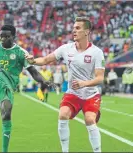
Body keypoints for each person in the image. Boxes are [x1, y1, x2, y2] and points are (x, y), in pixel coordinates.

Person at [0, 7, 55, 152]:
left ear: (13, 37)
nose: (3, 39)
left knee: (6, 113)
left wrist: (43, 81)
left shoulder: (20, 52)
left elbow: (32, 71)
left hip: (7, 86)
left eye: (6, 37)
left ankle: (4, 150)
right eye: (1, 36)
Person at [25, 17, 105, 152]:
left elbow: (100, 78)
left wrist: (84, 83)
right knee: (62, 115)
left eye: (78, 28)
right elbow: (45, 59)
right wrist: (33, 61)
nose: (74, 30)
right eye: (73, 28)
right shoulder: (66, 48)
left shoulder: (97, 52)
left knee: (90, 120)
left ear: (87, 32)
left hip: (91, 95)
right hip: (73, 93)